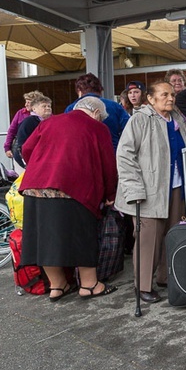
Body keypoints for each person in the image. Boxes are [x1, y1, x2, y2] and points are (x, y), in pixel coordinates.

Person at [19, 96, 118, 301]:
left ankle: (58, 286)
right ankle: (90, 285)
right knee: (82, 235)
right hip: (74, 188)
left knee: (44, 238)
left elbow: (27, 149)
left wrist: (42, 165)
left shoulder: (50, 121)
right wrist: (110, 194)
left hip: (35, 186)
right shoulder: (97, 128)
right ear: (97, 114)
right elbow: (108, 164)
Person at [115, 81, 186, 304]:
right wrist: (133, 189)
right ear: (150, 99)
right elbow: (124, 155)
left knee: (171, 235)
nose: (170, 98)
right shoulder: (140, 119)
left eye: (172, 94)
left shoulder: (177, 119)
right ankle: (141, 286)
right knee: (147, 240)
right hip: (148, 190)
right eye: (164, 95)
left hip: (176, 186)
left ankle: (164, 277)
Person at [65, 73, 130, 150]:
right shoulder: (115, 107)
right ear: (99, 90)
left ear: (79, 91)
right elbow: (129, 131)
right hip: (112, 153)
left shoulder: (70, 109)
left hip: (81, 154)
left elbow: (66, 135)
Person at [4, 90, 44, 170]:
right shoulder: (21, 113)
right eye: (26, 102)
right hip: (20, 149)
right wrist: (7, 147)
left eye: (28, 102)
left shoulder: (45, 114)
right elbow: (12, 130)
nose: (26, 105)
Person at [12, 96, 52, 169]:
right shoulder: (29, 122)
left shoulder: (52, 121)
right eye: (44, 106)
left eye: (49, 106)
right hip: (29, 160)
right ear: (34, 109)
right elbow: (22, 144)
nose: (47, 108)